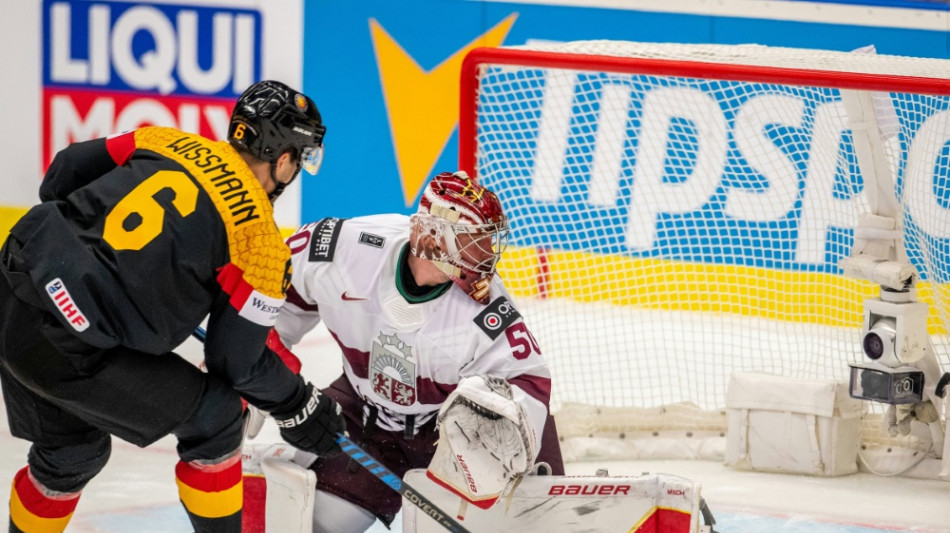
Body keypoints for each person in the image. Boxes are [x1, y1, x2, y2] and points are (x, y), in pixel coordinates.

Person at [0, 80, 346, 533]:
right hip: (73, 348)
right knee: (219, 418)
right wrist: (297, 403)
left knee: (72, 452)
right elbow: (234, 362)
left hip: (14, 292)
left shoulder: (169, 141)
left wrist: (84, 253)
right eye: (300, 160)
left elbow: (62, 173)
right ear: (283, 159)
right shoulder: (259, 244)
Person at [244, 171, 564, 533]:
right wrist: (253, 366)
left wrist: (498, 443)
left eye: (486, 242)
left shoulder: (485, 311)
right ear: (431, 237)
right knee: (315, 526)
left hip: (452, 439)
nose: (486, 255)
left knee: (537, 525)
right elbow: (272, 297)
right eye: (473, 241)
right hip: (363, 421)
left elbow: (530, 381)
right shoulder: (345, 250)